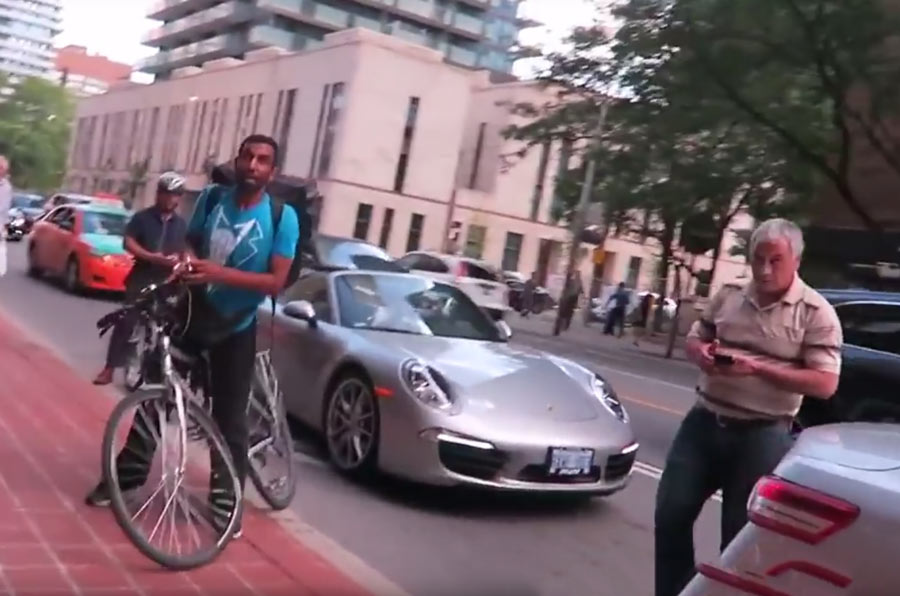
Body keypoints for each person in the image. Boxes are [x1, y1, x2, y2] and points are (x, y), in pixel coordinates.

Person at [85, 135, 301, 539]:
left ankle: (227, 503)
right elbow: (191, 241)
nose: (253, 165)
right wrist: (186, 257)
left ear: (272, 171)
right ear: (238, 161)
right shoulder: (214, 199)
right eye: (247, 157)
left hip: (236, 326)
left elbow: (275, 282)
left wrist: (217, 273)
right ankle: (126, 480)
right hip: (192, 315)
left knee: (229, 420)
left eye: (262, 160)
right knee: (154, 397)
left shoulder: (282, 216)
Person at [653, 218, 842, 596]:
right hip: (704, 421)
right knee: (670, 514)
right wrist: (700, 352)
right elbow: (698, 334)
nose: (765, 269)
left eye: (776, 261)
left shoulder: (815, 313)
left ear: (796, 261)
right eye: (758, 259)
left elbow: (825, 383)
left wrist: (758, 369)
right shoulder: (729, 293)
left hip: (762, 433)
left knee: (739, 539)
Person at [92, 172, 188, 386]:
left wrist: (180, 264)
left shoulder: (181, 225)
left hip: (168, 281)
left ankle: (163, 373)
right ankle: (109, 369)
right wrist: (150, 256)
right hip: (142, 278)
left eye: (175, 195)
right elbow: (129, 242)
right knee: (126, 321)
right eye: (167, 194)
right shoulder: (143, 217)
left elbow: (185, 251)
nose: (170, 199)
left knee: (172, 327)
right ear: (159, 194)